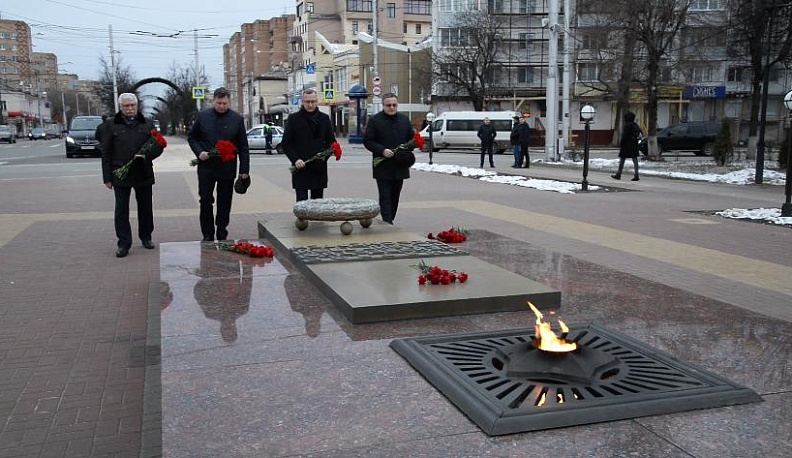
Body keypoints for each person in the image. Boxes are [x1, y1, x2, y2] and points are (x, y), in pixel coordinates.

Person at [100, 93, 163, 258]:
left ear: (137, 106)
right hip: (120, 173)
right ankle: (124, 243)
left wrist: (147, 156)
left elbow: (158, 146)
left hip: (143, 172)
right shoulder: (111, 125)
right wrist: (107, 177)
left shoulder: (147, 124)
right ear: (121, 107)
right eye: (126, 106)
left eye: (132, 105)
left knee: (145, 208)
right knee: (121, 210)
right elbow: (106, 152)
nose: (129, 109)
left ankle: (146, 237)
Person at [188, 87, 250, 241]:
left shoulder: (236, 119)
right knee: (205, 200)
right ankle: (207, 234)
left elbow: (243, 146)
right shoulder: (203, 117)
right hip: (206, 167)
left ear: (229, 102)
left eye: (225, 103)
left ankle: (222, 231)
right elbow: (192, 138)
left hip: (227, 168)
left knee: (224, 202)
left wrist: (244, 170)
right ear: (213, 101)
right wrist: (199, 152)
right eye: (219, 103)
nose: (221, 106)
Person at [364, 93, 415, 224]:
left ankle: (390, 219)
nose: (392, 107)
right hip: (382, 165)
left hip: (400, 166)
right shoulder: (375, 120)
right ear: (383, 105)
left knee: (395, 196)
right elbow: (368, 141)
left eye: (394, 105)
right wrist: (382, 150)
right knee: (385, 196)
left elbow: (411, 140)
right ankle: (387, 222)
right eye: (388, 105)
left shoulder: (404, 120)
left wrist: (409, 148)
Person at [281, 89, 337, 202]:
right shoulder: (293, 119)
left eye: (313, 101)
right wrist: (296, 159)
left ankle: (316, 220)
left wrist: (324, 156)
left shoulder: (324, 119)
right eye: (307, 102)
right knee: (302, 204)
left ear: (317, 101)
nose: (310, 105)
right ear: (302, 102)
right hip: (300, 167)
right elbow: (286, 144)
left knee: (317, 205)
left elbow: (332, 143)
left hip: (318, 168)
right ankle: (302, 220)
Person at [612, 111, 642, 181]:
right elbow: (640, 133)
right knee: (635, 160)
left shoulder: (627, 125)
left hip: (626, 145)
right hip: (634, 145)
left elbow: (624, 136)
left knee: (622, 160)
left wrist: (621, 143)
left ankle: (618, 174)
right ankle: (636, 175)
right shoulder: (635, 125)